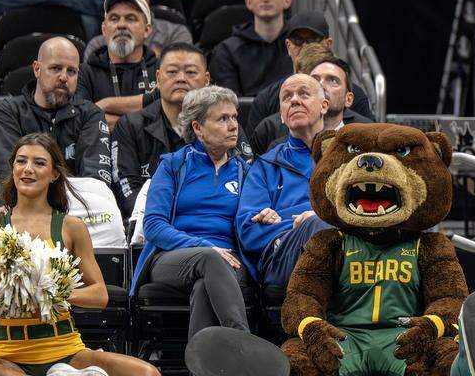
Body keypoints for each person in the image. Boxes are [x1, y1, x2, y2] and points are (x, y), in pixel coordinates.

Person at [0, 133, 163, 376]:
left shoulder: (70, 227)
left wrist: (49, 292)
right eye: (21, 161)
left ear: (53, 174)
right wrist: (10, 283)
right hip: (10, 356)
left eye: (39, 163)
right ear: (12, 168)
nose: (27, 169)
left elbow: (99, 295)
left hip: (66, 351)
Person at [131, 85, 254, 338]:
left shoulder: (245, 171)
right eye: (223, 119)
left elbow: (250, 220)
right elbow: (154, 225)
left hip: (229, 261)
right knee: (209, 258)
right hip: (172, 256)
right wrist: (203, 246)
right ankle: (243, 342)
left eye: (234, 118)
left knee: (203, 288)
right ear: (198, 128)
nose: (234, 126)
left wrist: (265, 215)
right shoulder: (173, 165)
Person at [236, 73, 334, 291]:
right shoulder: (266, 165)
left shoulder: (346, 158)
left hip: (343, 249)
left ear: (324, 106)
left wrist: (317, 219)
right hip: (283, 259)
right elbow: (248, 231)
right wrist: (300, 225)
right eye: (287, 97)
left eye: (304, 94)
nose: (295, 100)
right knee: (316, 225)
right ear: (281, 115)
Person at [0, 37, 111, 195]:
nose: (63, 77)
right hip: (23, 212)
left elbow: (95, 185)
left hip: (78, 212)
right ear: (37, 69)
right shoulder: (9, 112)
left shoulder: (90, 114)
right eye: (55, 68)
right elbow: (6, 180)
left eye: (71, 71)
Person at [112, 42, 209, 215]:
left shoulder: (224, 123)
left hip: (208, 223)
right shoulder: (130, 126)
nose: (181, 78)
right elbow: (126, 189)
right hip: (148, 224)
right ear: (157, 78)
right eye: (172, 72)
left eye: (191, 72)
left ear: (206, 80)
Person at [242, 11, 376, 133]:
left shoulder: (353, 94)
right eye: (298, 40)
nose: (305, 46)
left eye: (313, 40)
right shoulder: (266, 101)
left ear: (328, 45)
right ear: (288, 46)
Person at [249, 48, 373, 156]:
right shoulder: (275, 146)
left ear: (349, 99)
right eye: (315, 79)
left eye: (333, 80)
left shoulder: (368, 134)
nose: (322, 85)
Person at [208, 0, 293, 97]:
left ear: (287, 0)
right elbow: (228, 102)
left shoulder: (301, 45)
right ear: (249, 2)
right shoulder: (226, 50)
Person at [76, 0, 157, 124]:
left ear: (147, 30)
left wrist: (105, 104)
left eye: (131, 18)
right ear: (104, 29)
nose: (121, 25)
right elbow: (81, 119)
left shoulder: (162, 69)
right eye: (114, 19)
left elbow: (167, 115)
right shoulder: (84, 72)